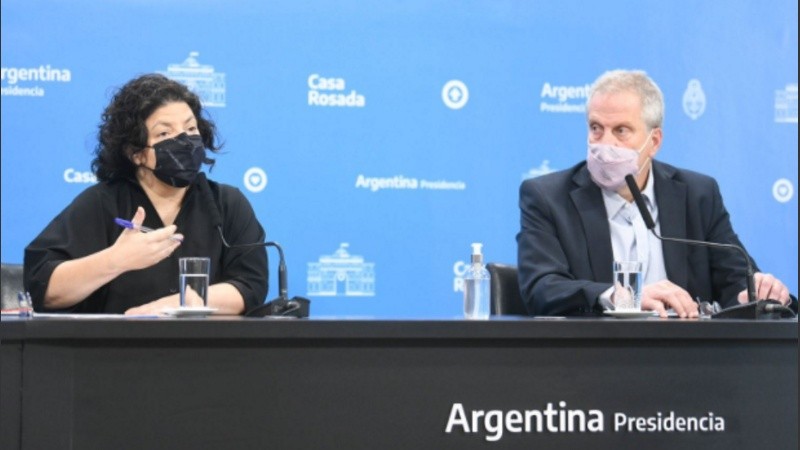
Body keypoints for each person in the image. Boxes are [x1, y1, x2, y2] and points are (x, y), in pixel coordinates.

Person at [517, 69, 795, 318]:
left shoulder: (698, 195)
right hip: (593, 361)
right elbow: (541, 288)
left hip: (686, 361)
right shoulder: (547, 197)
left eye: (621, 130)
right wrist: (623, 298)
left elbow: (734, 280)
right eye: (595, 128)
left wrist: (753, 294)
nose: (605, 143)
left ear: (654, 142)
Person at [24, 74, 268, 315]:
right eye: (164, 134)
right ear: (136, 153)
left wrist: (171, 305)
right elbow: (42, 288)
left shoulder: (226, 203)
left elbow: (250, 286)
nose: (184, 140)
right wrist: (115, 260)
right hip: (116, 350)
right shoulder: (102, 203)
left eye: (191, 128)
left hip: (205, 351)